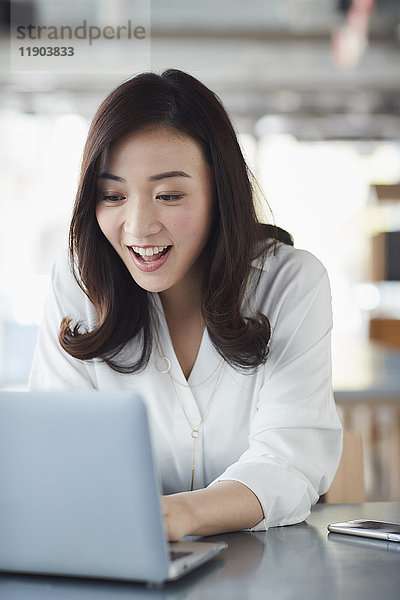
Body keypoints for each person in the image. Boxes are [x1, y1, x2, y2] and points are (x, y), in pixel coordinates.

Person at [29, 68, 343, 542]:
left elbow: (290, 461)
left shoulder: (290, 283)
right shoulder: (77, 283)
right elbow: (55, 455)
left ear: (222, 192)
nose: (137, 227)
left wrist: (178, 516)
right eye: (112, 195)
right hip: (116, 561)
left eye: (169, 195)